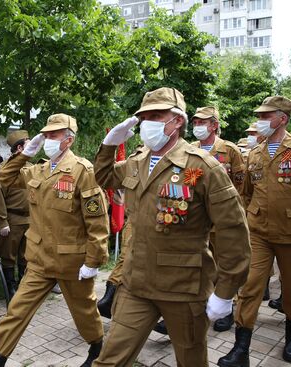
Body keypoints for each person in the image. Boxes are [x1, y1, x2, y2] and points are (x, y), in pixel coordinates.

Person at [93, 87, 250, 367]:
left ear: (177, 121)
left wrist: (226, 291)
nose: (147, 123)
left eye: (156, 115)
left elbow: (233, 232)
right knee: (110, 359)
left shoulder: (202, 167)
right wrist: (109, 144)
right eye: (144, 117)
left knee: (190, 359)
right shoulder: (136, 163)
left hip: (183, 288)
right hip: (136, 283)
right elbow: (103, 176)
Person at [0, 113, 109, 367]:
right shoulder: (38, 169)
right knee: (17, 309)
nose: (47, 139)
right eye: (46, 134)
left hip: (71, 261)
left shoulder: (83, 171)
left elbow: (97, 221)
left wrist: (94, 261)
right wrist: (24, 154)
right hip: (39, 258)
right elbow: (3, 178)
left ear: (68, 140)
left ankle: (97, 346)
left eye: (53, 135)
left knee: (84, 311)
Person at [218, 97, 291, 367]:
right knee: (250, 286)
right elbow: (246, 194)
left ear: (283, 119)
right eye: (259, 115)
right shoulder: (255, 153)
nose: (260, 120)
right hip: (259, 234)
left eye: (266, 116)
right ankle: (240, 348)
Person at [190, 106, 247, 332]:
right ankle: (192, 305)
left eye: (202, 122)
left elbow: (240, 184)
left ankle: (227, 307)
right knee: (198, 265)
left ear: (214, 124)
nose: (197, 127)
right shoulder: (189, 149)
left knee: (225, 264)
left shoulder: (229, 150)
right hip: (196, 218)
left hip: (222, 217)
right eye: (194, 123)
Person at [0, 130, 31, 298]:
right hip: (12, 218)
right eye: (29, 144)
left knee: (26, 255)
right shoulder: (2, 169)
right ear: (20, 147)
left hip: (31, 219)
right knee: (9, 255)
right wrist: (2, 222)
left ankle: (24, 286)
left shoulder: (32, 168)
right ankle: (10, 287)